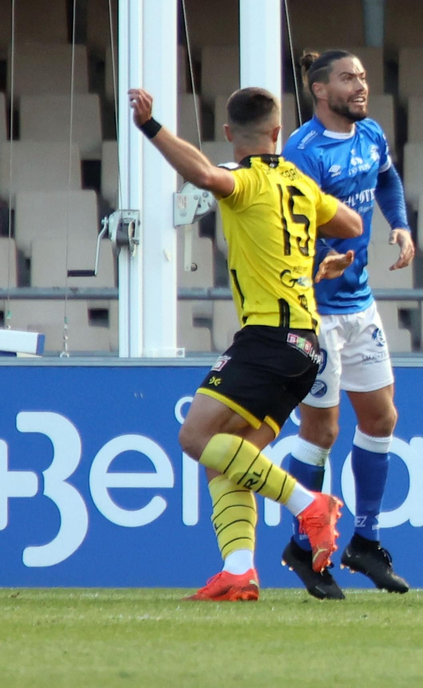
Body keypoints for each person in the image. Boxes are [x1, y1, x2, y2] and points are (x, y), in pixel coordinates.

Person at [130, 85, 363, 601]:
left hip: (268, 338)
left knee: (194, 438)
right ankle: (239, 570)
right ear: (278, 132)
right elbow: (352, 223)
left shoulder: (245, 179)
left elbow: (202, 174)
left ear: (231, 134)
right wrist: (312, 260)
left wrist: (151, 126)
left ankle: (309, 505)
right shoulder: (300, 183)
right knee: (228, 457)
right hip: (305, 344)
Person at [276, 50, 416, 600]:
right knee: (322, 432)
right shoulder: (302, 153)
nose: (361, 86)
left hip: (360, 305)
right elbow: (285, 232)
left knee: (381, 417)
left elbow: (388, 180)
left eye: (362, 77)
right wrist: (315, 267)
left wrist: (400, 226)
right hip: (314, 315)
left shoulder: (371, 133)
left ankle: (365, 540)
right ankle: (305, 547)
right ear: (318, 89)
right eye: (348, 78)